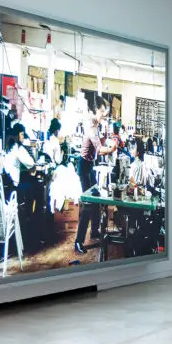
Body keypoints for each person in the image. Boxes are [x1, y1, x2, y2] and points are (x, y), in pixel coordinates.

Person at [74, 95, 116, 254]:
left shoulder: (96, 124)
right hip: (84, 167)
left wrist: (106, 137)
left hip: (90, 165)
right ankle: (78, 242)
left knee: (97, 199)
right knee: (88, 205)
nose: (104, 113)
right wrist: (112, 149)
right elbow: (99, 149)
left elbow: (99, 143)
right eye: (102, 110)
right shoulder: (91, 126)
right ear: (95, 109)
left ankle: (94, 231)